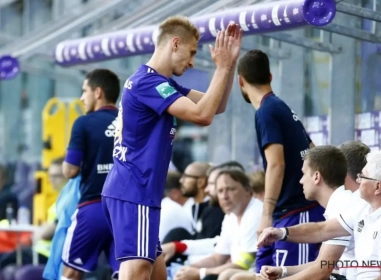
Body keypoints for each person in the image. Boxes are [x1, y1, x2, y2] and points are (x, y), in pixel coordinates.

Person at [101, 16, 243, 280]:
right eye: (190, 53)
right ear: (174, 44)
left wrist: (229, 64)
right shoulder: (148, 83)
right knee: (138, 274)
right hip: (135, 192)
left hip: (136, 192)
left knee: (157, 275)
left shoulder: (161, 84)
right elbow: (202, 115)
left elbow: (216, 106)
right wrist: (221, 68)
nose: (191, 62)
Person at [236, 49, 325, 279]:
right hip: (291, 212)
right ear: (270, 77)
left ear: (240, 81)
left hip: (297, 211)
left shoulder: (266, 111)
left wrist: (265, 214)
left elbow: (276, 164)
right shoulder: (280, 106)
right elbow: (315, 150)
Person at [257, 148, 381, 280]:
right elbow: (322, 230)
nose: (358, 180)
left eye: (363, 176)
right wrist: (281, 233)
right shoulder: (363, 207)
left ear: (378, 187)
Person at [61, 69, 120, 280]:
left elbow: (70, 170)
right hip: (125, 210)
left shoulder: (83, 123)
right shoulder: (131, 121)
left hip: (93, 208)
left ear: (98, 92)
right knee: (127, 273)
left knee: (71, 272)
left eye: (84, 91)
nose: (81, 97)